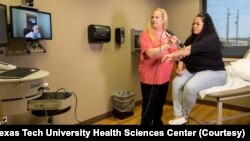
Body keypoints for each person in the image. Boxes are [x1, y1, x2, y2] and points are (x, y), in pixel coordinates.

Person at [161, 13, 227, 125]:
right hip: (195, 70)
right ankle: (179, 116)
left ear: (205, 26)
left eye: (198, 24)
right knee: (176, 82)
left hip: (215, 72)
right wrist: (180, 67)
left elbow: (187, 50)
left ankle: (184, 116)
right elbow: (183, 56)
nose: (194, 26)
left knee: (190, 87)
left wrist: (171, 55)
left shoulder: (211, 38)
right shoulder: (192, 38)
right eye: (193, 23)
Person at [138, 8, 178, 126]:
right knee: (148, 107)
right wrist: (167, 45)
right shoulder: (145, 34)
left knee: (159, 105)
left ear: (163, 20)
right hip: (149, 78)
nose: (153, 19)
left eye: (157, 17)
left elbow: (174, 52)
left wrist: (173, 56)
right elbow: (149, 53)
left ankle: (157, 124)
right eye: (152, 17)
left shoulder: (168, 34)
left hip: (164, 77)